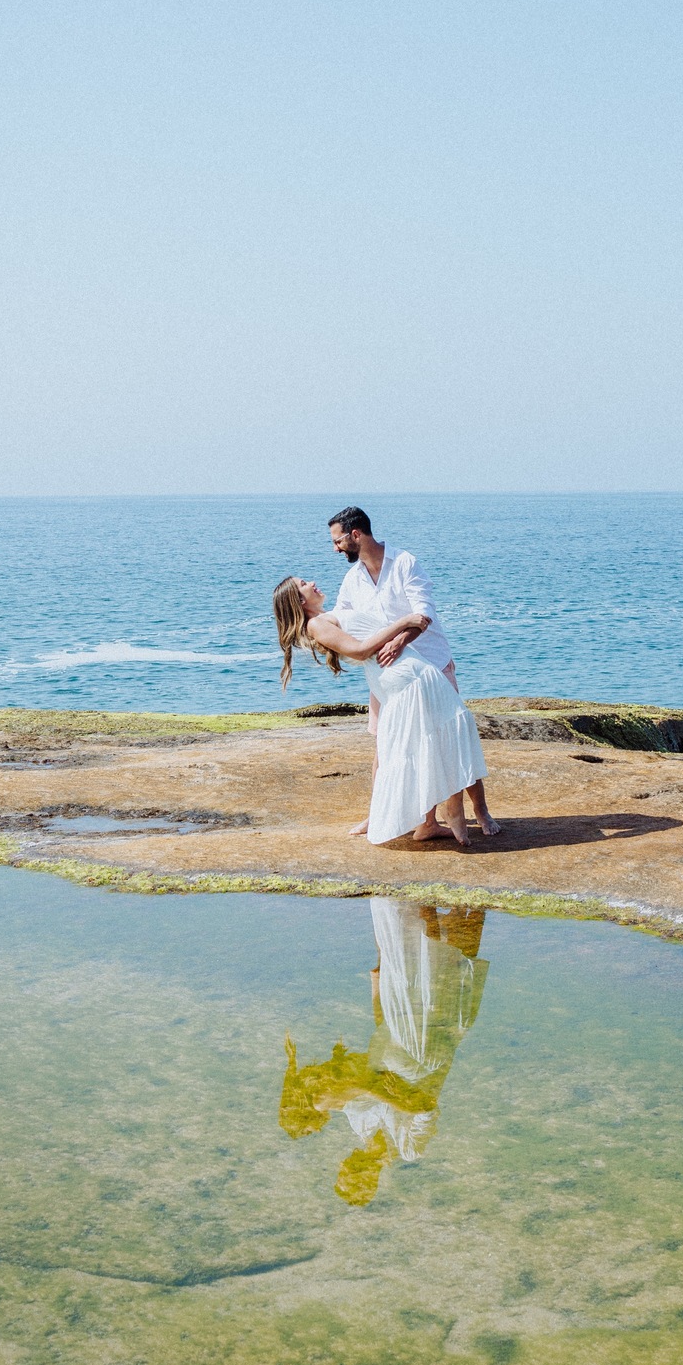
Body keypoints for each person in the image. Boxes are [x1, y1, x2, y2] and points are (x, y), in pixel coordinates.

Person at [279, 900, 489, 1206]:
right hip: (427, 1045)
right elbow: (426, 1107)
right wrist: (375, 1088)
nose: (349, 1165)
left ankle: (420, 891)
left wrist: (378, 979)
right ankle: (468, 888)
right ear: (373, 1179)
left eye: (346, 1169)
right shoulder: (409, 1148)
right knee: (453, 951)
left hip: (393, 1024)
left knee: (410, 945)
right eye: (357, 1174)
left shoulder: (357, 1122)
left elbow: (370, 1065)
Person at [272, 574, 487, 846]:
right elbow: (361, 650)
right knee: (441, 736)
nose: (312, 583)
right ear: (300, 600)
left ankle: (428, 823)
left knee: (429, 740)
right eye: (304, 584)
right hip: (405, 680)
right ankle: (451, 809)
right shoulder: (316, 624)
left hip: (406, 674)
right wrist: (404, 622)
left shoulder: (331, 615)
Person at [328, 506, 499, 837]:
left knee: (453, 739)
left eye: (337, 541)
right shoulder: (353, 579)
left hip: (431, 664)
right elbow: (343, 620)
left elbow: (424, 612)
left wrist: (400, 640)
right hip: (389, 677)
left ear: (355, 535)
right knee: (384, 746)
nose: (335, 548)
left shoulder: (404, 563)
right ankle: (379, 814)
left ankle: (481, 811)